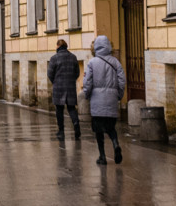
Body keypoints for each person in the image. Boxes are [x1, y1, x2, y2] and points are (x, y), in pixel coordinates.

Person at [80, 34, 127, 165]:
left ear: (96, 47)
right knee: (111, 127)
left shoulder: (92, 63)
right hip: (112, 100)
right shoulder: (115, 62)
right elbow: (122, 81)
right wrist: (119, 95)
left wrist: (87, 94)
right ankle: (116, 144)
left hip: (97, 101)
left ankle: (102, 157)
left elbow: (87, 82)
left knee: (98, 130)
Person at [46, 38, 81, 141]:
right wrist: (71, 80)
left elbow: (50, 73)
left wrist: (55, 82)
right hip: (70, 86)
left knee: (59, 110)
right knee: (71, 108)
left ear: (58, 46)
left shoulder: (54, 58)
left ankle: (61, 131)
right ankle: (76, 123)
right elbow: (77, 73)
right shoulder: (73, 57)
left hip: (58, 87)